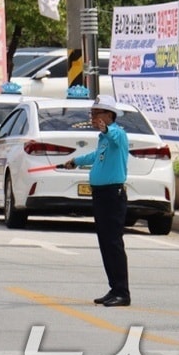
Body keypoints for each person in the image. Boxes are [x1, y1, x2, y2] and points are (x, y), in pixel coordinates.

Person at [61, 96, 131, 307]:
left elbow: (115, 137)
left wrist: (106, 130)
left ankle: (122, 292)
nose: (92, 118)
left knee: (113, 243)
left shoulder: (117, 133)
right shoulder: (103, 139)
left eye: (96, 113)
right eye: (91, 114)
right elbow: (95, 156)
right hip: (101, 194)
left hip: (112, 195)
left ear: (109, 115)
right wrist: (75, 161)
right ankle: (114, 288)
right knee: (105, 243)